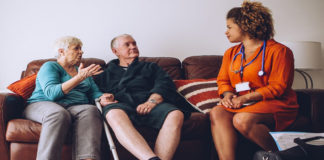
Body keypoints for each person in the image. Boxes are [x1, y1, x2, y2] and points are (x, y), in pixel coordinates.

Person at [209, 1, 299, 160]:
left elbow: (279, 86)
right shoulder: (231, 53)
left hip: (274, 102)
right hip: (244, 103)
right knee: (217, 112)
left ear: (244, 26)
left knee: (241, 119)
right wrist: (228, 95)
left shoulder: (280, 51)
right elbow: (223, 80)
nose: (226, 32)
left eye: (229, 27)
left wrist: (246, 97)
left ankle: (285, 155)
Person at [96, 34, 191, 160]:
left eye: (134, 43)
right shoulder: (104, 74)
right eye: (127, 44)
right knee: (112, 113)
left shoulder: (151, 67)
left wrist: (152, 101)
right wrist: (103, 98)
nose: (133, 47)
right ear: (115, 51)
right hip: (122, 105)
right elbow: (95, 93)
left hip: (151, 103)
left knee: (175, 114)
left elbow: (164, 84)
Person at [24, 36, 113, 160]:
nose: (81, 52)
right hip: (43, 103)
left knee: (91, 110)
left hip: (74, 106)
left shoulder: (81, 71)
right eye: (76, 48)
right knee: (58, 114)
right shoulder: (50, 66)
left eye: (81, 48)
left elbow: (94, 92)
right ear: (62, 52)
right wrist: (79, 78)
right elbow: (52, 93)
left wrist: (103, 97)